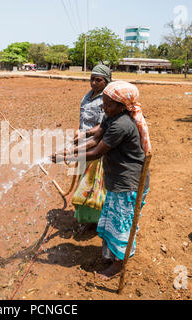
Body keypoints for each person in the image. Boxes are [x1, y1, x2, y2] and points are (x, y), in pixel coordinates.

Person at [53, 80, 151, 280]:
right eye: (103, 102)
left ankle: (118, 265)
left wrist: (67, 157)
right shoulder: (111, 117)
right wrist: (70, 150)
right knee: (111, 221)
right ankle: (111, 256)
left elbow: (97, 152)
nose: (103, 107)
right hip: (117, 179)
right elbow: (94, 139)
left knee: (122, 225)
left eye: (108, 103)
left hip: (129, 183)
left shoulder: (122, 124)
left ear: (123, 106)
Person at [71, 64, 111, 228]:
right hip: (84, 143)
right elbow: (84, 121)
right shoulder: (88, 96)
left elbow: (103, 125)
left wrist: (85, 134)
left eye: (98, 80)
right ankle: (85, 218)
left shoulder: (107, 99)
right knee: (84, 181)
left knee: (94, 184)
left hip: (97, 146)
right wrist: (79, 131)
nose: (93, 83)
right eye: (91, 79)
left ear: (106, 81)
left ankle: (95, 220)